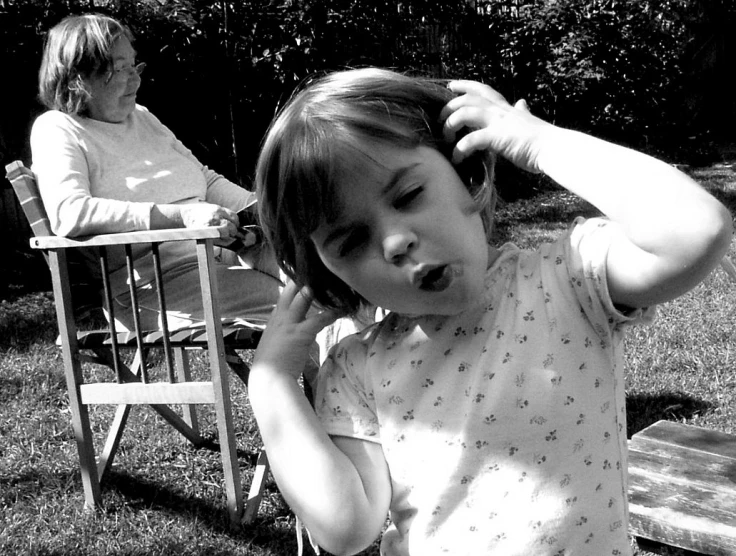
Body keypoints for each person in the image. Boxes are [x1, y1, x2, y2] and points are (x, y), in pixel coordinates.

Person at [249, 67, 734, 555]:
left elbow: (696, 231)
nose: (396, 242)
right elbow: (345, 529)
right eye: (351, 240)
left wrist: (542, 143)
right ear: (330, 273)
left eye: (409, 195)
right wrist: (270, 379)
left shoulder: (566, 283)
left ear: (466, 174)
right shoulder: (356, 371)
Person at [30, 13, 281, 331]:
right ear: (78, 76)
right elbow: (70, 213)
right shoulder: (58, 129)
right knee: (301, 305)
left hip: (219, 255)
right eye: (119, 69)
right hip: (152, 286)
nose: (135, 80)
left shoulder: (142, 118)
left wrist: (260, 209)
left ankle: (342, 378)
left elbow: (202, 177)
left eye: (133, 66)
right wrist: (184, 217)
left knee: (324, 277)